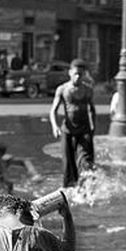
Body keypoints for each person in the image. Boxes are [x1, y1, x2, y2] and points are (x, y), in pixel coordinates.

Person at [49, 58, 96, 187]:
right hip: (68, 130)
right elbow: (53, 110)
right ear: (70, 73)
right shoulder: (62, 89)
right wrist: (55, 126)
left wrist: (93, 127)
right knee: (68, 164)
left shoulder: (88, 90)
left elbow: (92, 109)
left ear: (84, 74)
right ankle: (70, 188)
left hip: (84, 129)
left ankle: (86, 188)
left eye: (80, 74)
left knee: (85, 161)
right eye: (75, 73)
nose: (77, 77)